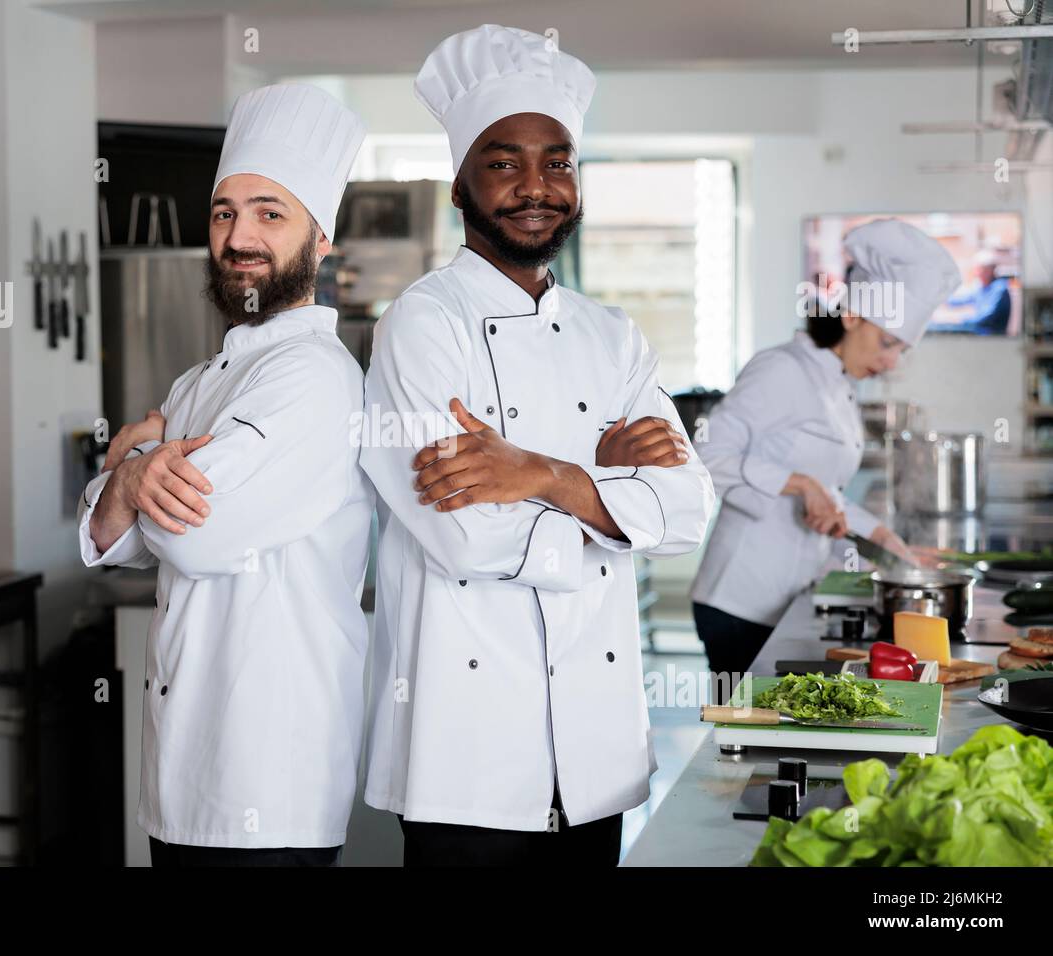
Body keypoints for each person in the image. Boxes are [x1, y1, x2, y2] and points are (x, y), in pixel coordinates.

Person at [359, 24, 715, 867]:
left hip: (596, 753)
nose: (535, 186)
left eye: (556, 161)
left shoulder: (613, 334)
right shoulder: (419, 324)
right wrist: (609, 493)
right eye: (503, 160)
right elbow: (465, 536)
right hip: (467, 759)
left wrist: (542, 473)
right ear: (459, 184)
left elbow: (691, 507)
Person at [77, 83, 370, 866]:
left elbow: (195, 536)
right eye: (223, 212)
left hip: (266, 784)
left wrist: (133, 467)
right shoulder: (201, 380)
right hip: (180, 774)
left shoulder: (314, 378)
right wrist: (131, 486)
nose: (239, 236)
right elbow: (103, 533)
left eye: (270, 213)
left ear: (321, 239)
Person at [690, 218, 961, 697]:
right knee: (743, 737)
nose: (892, 362)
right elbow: (705, 456)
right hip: (739, 600)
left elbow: (828, 491)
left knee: (773, 734)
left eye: (901, 349)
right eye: (888, 343)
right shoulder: (783, 370)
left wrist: (891, 547)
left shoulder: (839, 384)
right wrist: (800, 484)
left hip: (787, 595)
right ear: (853, 314)